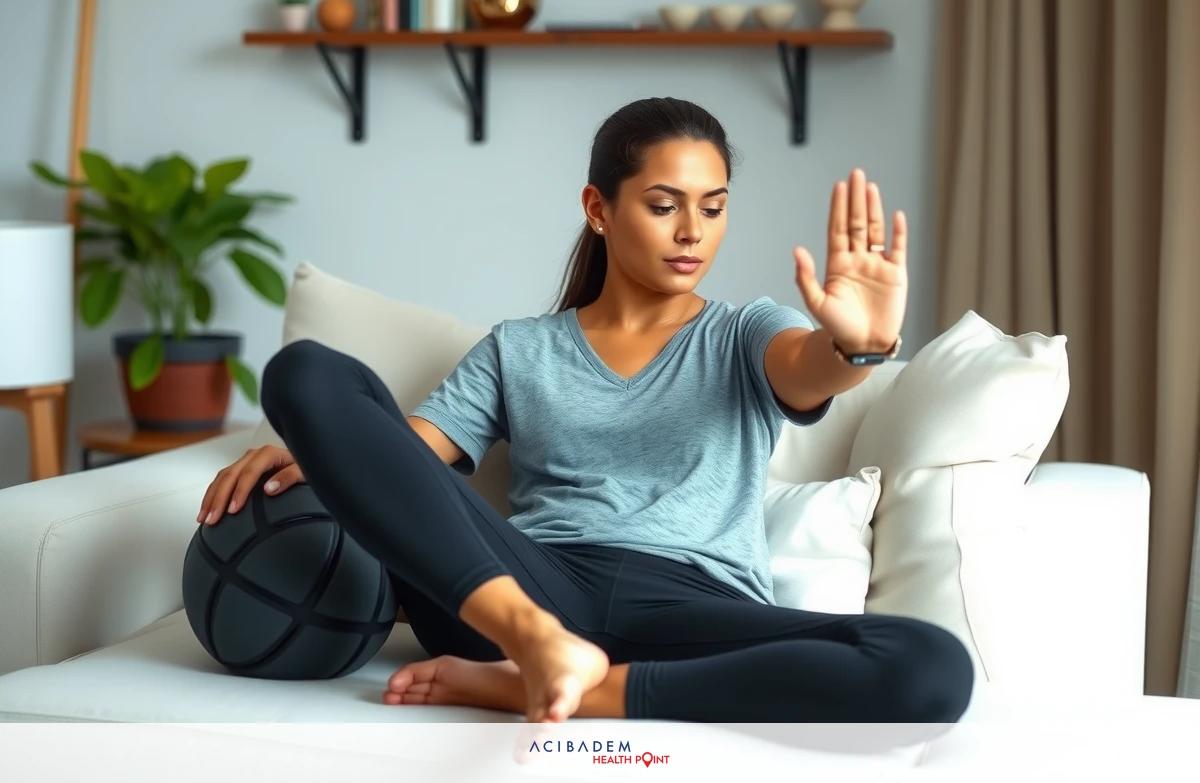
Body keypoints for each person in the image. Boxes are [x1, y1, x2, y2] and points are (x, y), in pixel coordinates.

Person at [197, 97, 974, 731]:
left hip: (691, 607)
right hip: (523, 589)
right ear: (598, 209)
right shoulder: (520, 349)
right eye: (664, 204)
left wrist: (857, 348)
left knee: (932, 664)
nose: (692, 232)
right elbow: (407, 463)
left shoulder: (744, 332)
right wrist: (322, 449)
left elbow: (809, 372)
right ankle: (535, 645)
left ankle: (563, 685)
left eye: (713, 207)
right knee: (305, 371)